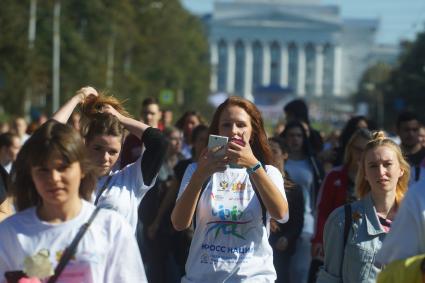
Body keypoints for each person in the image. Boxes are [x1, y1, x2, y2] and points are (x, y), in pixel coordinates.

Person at [0, 120, 147, 282]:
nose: (54, 178)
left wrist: (118, 117)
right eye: (43, 170)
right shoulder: (10, 232)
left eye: (63, 167)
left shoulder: (112, 228)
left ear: (82, 169)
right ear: (32, 174)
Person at [171, 96, 288, 282]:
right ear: (217, 130)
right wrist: (200, 175)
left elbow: (281, 214)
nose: (233, 131)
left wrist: (253, 166)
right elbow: (179, 223)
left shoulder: (268, 172)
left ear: (253, 132)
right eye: (226, 125)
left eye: (241, 125)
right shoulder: (195, 170)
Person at [52, 86, 168, 233]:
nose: (105, 158)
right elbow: (47, 135)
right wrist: (77, 98)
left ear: (121, 150)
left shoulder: (132, 178)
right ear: (86, 143)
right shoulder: (71, 175)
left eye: (113, 152)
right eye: (97, 148)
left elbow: (160, 142)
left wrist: (120, 118)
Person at [317, 131, 410, 283]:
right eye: (373, 166)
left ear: (401, 169)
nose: (381, 172)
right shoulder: (342, 220)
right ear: (365, 173)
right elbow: (329, 279)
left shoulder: (417, 220)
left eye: (387, 164)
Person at [309, 128, 372, 282]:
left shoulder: (374, 178)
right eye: (357, 149)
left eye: (366, 150)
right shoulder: (334, 175)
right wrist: (319, 239)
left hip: (363, 243)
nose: (361, 154)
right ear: (350, 149)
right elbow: (322, 210)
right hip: (335, 238)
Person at [280, 120, 324, 283]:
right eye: (291, 135)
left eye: (299, 135)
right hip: (280, 224)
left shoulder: (312, 164)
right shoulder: (278, 161)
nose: (295, 139)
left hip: (306, 224)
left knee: (301, 272)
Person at [268, 136, 305, 283]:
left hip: (280, 246)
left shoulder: (294, 188)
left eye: (274, 151)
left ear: (285, 154)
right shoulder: (255, 182)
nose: (270, 155)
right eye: (267, 151)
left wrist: (287, 238)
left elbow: (298, 221)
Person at [396, 111, 425, 183]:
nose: (411, 134)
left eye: (414, 130)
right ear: (398, 131)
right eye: (406, 130)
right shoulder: (392, 156)